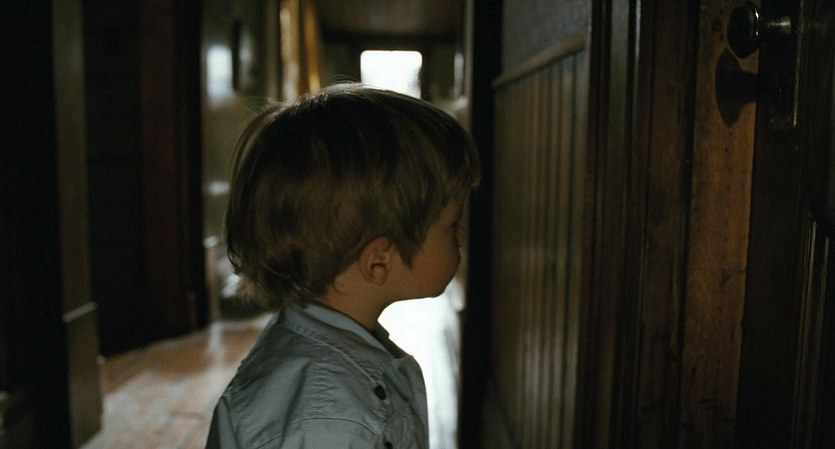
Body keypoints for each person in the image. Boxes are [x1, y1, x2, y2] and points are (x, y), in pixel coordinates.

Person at [206, 83, 480, 449]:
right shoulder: (329, 420)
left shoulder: (325, 350)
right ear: (378, 260)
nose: (461, 235)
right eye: (451, 224)